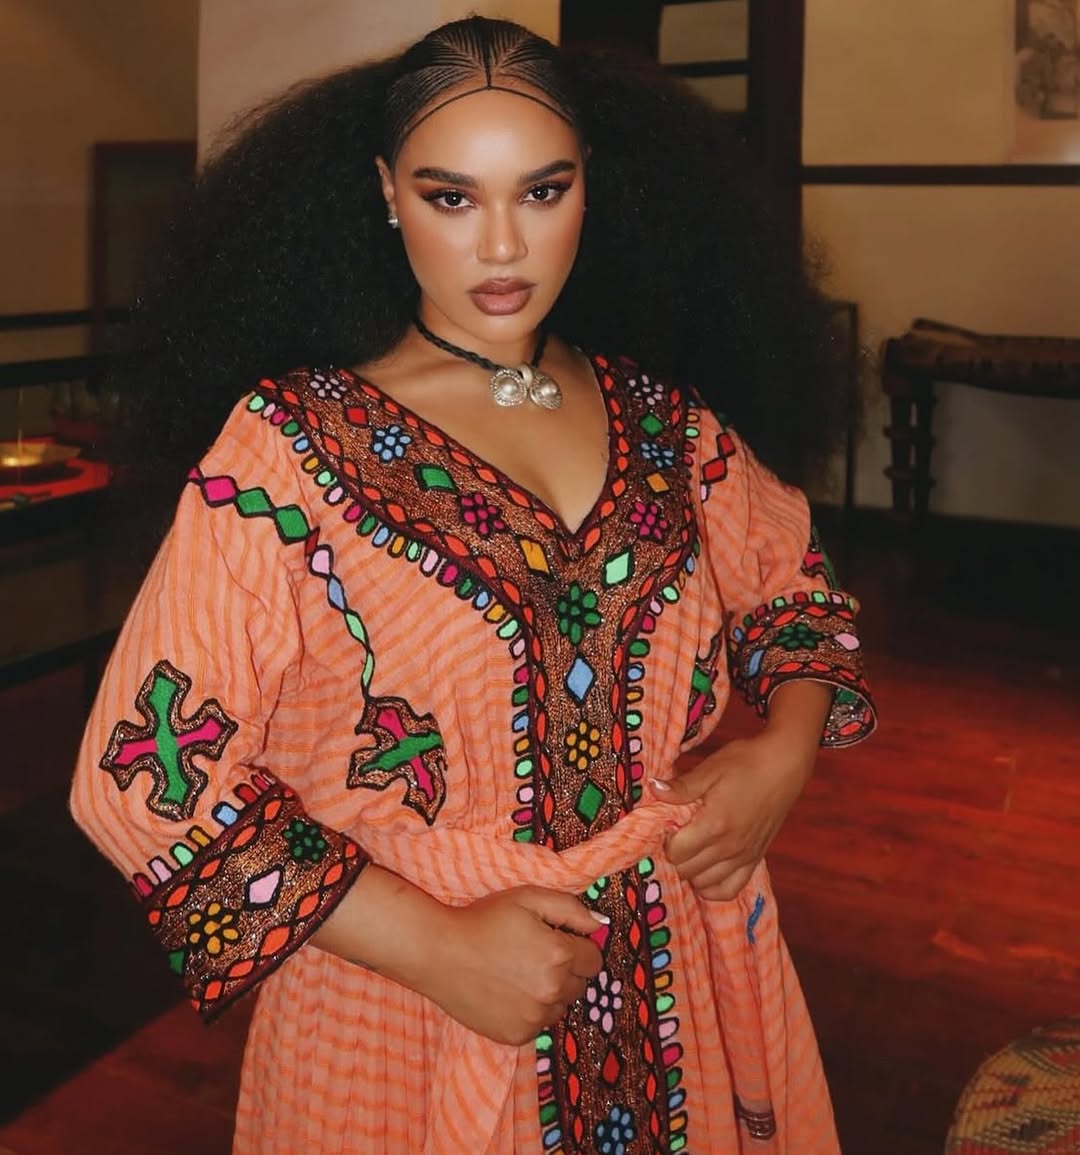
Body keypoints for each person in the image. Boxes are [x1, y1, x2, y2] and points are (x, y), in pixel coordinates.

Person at [70, 16, 876, 1154]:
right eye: (452, 198)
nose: (503, 245)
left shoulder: (667, 424)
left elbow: (793, 589)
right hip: (402, 1006)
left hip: (678, 972)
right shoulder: (288, 452)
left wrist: (782, 753)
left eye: (542, 191)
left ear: (593, 187)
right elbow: (140, 782)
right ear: (387, 194)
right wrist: (437, 947)